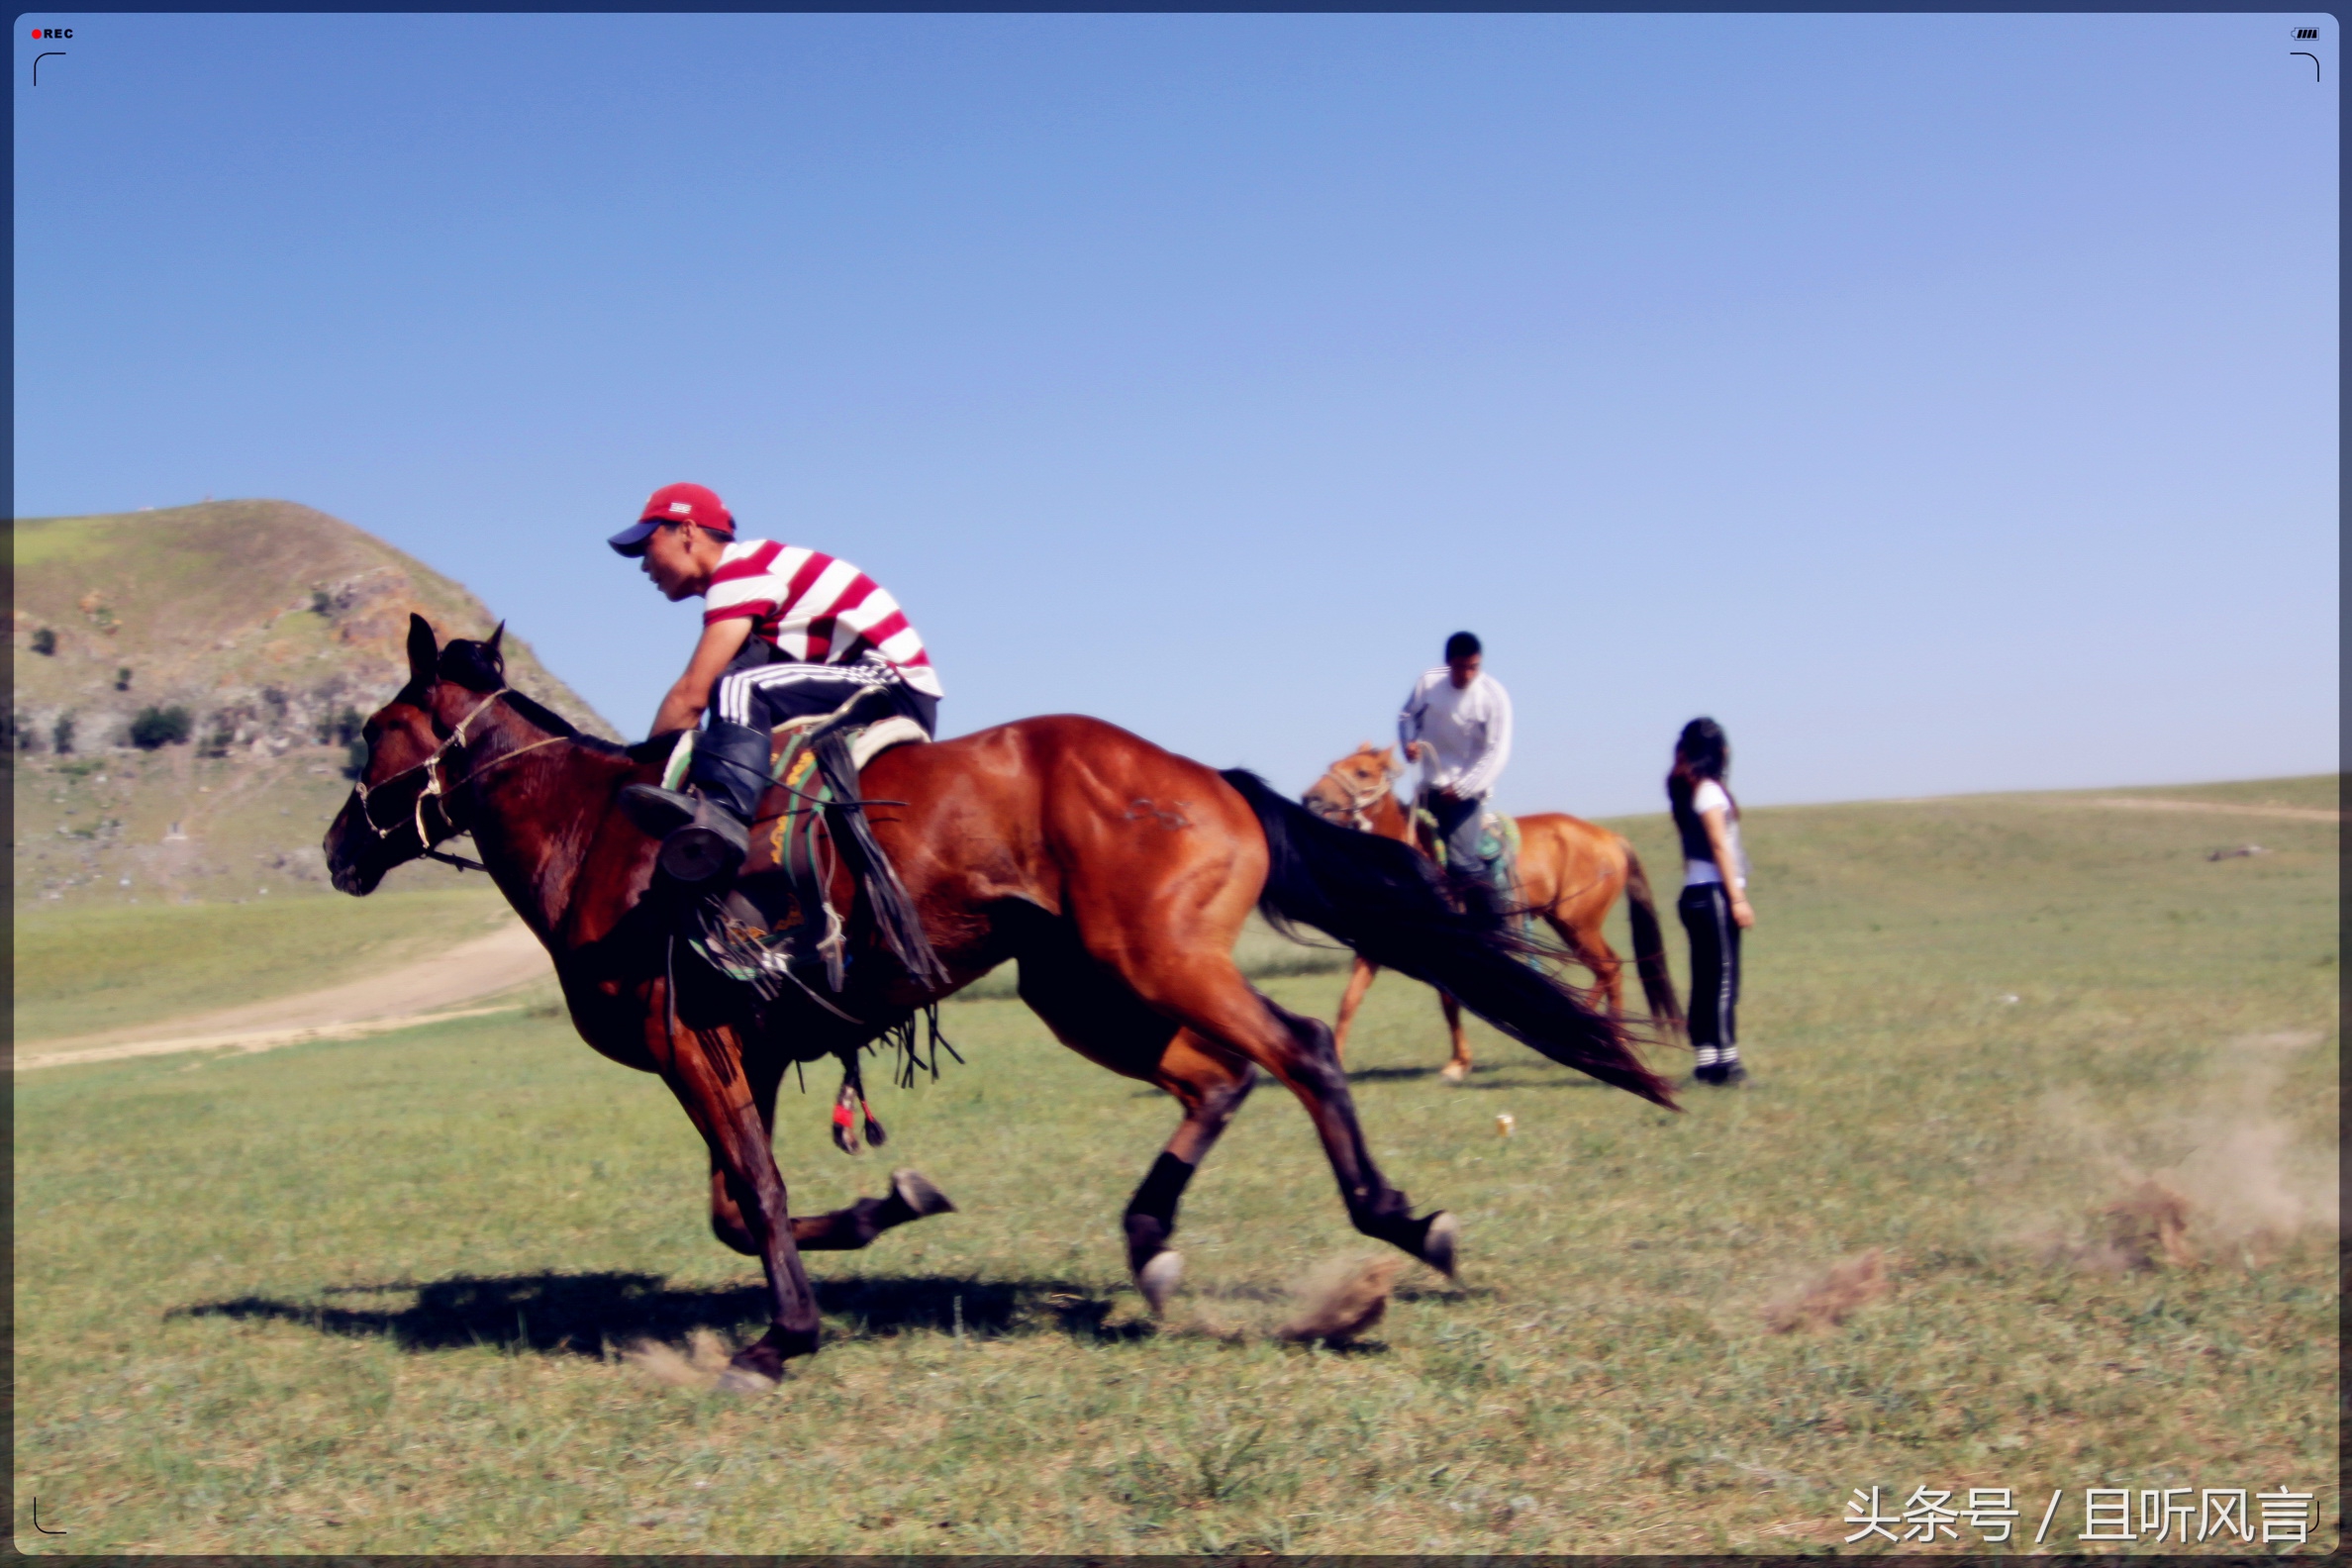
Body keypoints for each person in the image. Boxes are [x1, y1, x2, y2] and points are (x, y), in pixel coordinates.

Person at [607, 481, 943, 884]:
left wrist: (639, 772)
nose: (644, 566)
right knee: (733, 707)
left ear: (688, 531)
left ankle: (719, 822)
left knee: (737, 689)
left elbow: (692, 694)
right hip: (870, 681)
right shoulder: (750, 575)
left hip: (888, 680)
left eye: (648, 546)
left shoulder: (740, 569)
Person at [1397, 632, 1513, 915]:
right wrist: (1408, 743)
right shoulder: (1428, 681)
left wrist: (1463, 789)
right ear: (1449, 663)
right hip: (1427, 787)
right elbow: (1407, 716)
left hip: (1465, 794)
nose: (1468, 674)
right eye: (1461, 667)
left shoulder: (1492, 696)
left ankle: (1494, 927)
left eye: (1474, 667)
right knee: (1407, 854)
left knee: (1462, 861)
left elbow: (1497, 751)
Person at [1667, 717, 1752, 1084]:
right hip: (1714, 892)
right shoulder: (1710, 792)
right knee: (1723, 978)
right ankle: (1727, 1062)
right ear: (1719, 751)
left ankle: (1706, 1059)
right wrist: (1737, 899)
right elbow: (1719, 844)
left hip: (1693, 893)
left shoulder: (1686, 790)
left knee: (1705, 979)